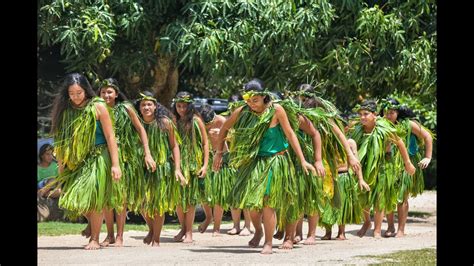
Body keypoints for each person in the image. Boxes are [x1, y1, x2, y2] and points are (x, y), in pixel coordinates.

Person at [213, 78, 316, 254]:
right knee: (252, 205)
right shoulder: (242, 111)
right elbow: (224, 129)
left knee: (269, 202)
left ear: (264, 97)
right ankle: (259, 231)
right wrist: (219, 153)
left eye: (255, 100)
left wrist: (303, 160)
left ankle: (269, 242)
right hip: (254, 163)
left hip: (275, 161)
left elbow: (291, 134)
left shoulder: (276, 110)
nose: (251, 104)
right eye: (248, 100)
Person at [50, 73, 121, 250]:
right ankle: (92, 223)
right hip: (76, 160)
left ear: (86, 91)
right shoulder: (66, 111)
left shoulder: (98, 106)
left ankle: (95, 239)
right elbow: (61, 142)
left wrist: (115, 164)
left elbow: (110, 136)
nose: (75, 97)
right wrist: (61, 170)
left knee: (94, 198)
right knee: (74, 200)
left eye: (79, 93)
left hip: (98, 156)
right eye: (72, 93)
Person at [89, 78, 157, 247]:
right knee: (105, 197)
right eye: (103, 92)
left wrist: (147, 153)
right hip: (103, 158)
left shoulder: (126, 108)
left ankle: (119, 236)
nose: (106, 95)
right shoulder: (96, 109)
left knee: (121, 197)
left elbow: (141, 129)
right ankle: (110, 235)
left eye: (109, 92)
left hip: (125, 158)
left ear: (117, 94)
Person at [289, 84, 361, 242]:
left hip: (320, 160)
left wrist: (350, 155)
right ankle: (297, 233)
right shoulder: (294, 114)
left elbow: (340, 135)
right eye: (300, 99)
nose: (302, 102)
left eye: (305, 99)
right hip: (300, 158)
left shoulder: (322, 116)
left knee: (316, 195)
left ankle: (311, 234)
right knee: (298, 194)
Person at [347, 99, 416, 238]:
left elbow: (400, 142)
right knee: (362, 195)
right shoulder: (358, 128)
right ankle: (367, 222)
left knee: (380, 196)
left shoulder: (384, 128)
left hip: (384, 165)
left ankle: (377, 230)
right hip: (364, 165)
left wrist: (408, 163)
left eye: (366, 114)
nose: (362, 117)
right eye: (360, 114)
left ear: (375, 115)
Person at [136, 93, 186, 246]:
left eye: (149, 104)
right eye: (143, 105)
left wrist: (177, 168)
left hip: (161, 168)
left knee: (158, 204)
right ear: (139, 107)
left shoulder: (165, 123)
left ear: (155, 106)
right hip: (141, 169)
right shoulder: (136, 124)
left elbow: (174, 146)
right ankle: (151, 229)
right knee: (142, 204)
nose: (146, 107)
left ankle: (156, 239)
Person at [380, 98, 434, 237]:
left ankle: (401, 230)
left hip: (407, 162)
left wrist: (427, 157)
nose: (388, 115)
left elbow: (427, 136)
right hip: (389, 162)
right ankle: (390, 227)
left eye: (392, 112)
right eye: (386, 112)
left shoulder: (409, 124)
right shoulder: (381, 126)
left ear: (398, 112)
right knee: (388, 194)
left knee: (402, 196)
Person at [171, 91, 210, 243]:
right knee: (179, 200)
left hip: (194, 163)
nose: (181, 109)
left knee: (191, 200)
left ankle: (189, 233)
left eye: (184, 106)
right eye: (178, 106)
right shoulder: (175, 121)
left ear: (190, 105)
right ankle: (183, 228)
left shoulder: (196, 120)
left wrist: (205, 165)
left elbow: (206, 143)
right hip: (178, 164)